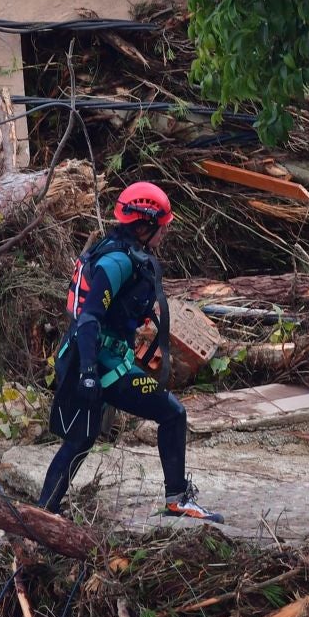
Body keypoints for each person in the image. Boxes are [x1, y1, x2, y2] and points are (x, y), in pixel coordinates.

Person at [38, 181, 220, 522]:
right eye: (162, 226)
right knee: (172, 414)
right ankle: (177, 500)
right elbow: (89, 318)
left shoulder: (123, 249)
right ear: (144, 224)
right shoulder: (117, 262)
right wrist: (90, 374)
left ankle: (45, 510)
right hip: (95, 363)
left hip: (91, 357)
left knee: (81, 439)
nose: (165, 232)